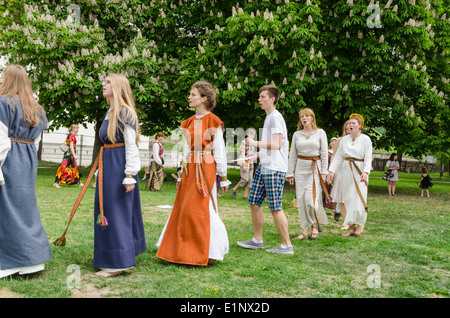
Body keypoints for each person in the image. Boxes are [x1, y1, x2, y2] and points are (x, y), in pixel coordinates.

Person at [156, 81, 230, 266]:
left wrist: (224, 177)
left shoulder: (214, 121)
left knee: (202, 209)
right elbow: (187, 149)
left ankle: (209, 251)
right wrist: (182, 173)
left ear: (204, 98)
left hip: (206, 167)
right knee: (184, 209)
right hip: (190, 168)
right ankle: (181, 251)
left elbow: (219, 150)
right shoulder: (187, 122)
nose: (189, 97)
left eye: (193, 94)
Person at [0, 64, 52, 278]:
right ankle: (32, 261)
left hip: (9, 160)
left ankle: (10, 263)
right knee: (25, 208)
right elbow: (36, 139)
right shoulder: (36, 108)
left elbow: (1, 140)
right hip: (27, 159)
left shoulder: (3, 103)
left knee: (7, 209)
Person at [93, 73, 146, 277]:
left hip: (119, 168)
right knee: (107, 211)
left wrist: (130, 174)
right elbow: (108, 146)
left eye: (108, 82)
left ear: (117, 87)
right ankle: (114, 256)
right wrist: (100, 170)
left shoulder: (125, 113)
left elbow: (131, 146)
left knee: (117, 213)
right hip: (108, 166)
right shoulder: (110, 112)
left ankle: (119, 263)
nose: (103, 84)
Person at [237, 85, 293, 254]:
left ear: (272, 99)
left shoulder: (275, 117)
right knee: (254, 201)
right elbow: (273, 145)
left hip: (275, 169)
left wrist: (254, 144)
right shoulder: (269, 118)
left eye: (263, 97)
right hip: (265, 166)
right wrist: (258, 154)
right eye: (259, 97)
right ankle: (257, 239)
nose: (259, 100)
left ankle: (286, 245)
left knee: (275, 207)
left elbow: (277, 144)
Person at [286, 108, 329, 239]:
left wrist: (324, 172)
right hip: (300, 169)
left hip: (314, 169)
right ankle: (304, 230)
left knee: (312, 201)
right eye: (302, 117)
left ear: (312, 118)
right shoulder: (296, 135)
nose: (304, 119)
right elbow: (293, 154)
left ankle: (315, 225)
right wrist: (290, 173)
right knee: (301, 200)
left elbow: (324, 154)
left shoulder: (320, 133)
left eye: (307, 116)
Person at [328, 114, 372, 237]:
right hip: (346, 170)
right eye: (349, 123)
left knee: (358, 198)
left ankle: (361, 223)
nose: (350, 125)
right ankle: (351, 227)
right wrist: (331, 171)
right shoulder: (344, 140)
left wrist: (366, 172)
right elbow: (338, 157)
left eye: (353, 123)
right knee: (347, 198)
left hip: (360, 171)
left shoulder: (365, 139)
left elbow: (368, 157)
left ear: (360, 126)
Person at [330, 120, 351, 225]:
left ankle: (341, 210)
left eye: (350, 128)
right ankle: (339, 211)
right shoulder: (339, 140)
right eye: (347, 129)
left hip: (349, 168)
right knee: (339, 191)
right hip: (339, 168)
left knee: (347, 192)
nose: (348, 131)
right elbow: (334, 155)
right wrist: (331, 170)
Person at [53, 124, 84, 188]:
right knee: (63, 167)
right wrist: (74, 155)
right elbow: (71, 146)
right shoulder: (72, 135)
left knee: (74, 168)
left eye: (77, 128)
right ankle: (56, 183)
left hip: (69, 154)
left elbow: (64, 143)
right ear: (72, 129)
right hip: (69, 155)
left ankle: (79, 183)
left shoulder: (69, 135)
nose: (77, 130)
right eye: (75, 128)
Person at [232, 128, 256, 200]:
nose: (252, 136)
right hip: (245, 163)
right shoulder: (244, 142)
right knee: (245, 179)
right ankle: (234, 190)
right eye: (251, 134)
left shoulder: (252, 143)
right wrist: (244, 164)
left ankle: (245, 196)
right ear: (247, 134)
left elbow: (253, 153)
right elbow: (242, 153)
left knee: (250, 181)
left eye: (253, 135)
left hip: (251, 164)